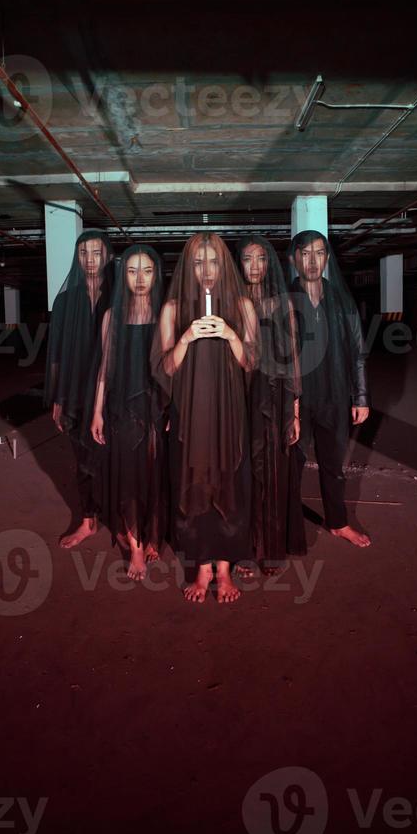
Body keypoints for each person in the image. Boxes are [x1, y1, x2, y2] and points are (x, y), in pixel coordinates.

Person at [151, 233, 260, 603]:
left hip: (229, 411)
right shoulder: (173, 309)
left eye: (214, 261)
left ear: (224, 264)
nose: (207, 270)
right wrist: (184, 339)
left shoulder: (242, 304)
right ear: (188, 266)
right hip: (191, 412)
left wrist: (230, 335)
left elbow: (251, 362)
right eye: (199, 262)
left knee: (229, 480)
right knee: (194, 482)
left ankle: (225, 568)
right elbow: (164, 368)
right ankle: (201, 567)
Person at [289, 229, 371, 548]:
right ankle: (287, 523)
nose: (313, 260)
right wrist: (287, 404)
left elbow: (357, 351)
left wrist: (360, 396)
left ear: (327, 258)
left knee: (333, 466)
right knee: (291, 466)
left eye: (319, 253)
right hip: (297, 400)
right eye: (306, 253)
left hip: (335, 397)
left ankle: (337, 522)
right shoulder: (285, 300)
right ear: (295, 257)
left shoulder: (341, 301)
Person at [89, 244, 167, 581]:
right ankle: (135, 547)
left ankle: (152, 534)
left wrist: (173, 409)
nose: (139, 278)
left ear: (155, 274)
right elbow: (104, 369)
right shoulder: (112, 316)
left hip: (156, 408)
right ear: (123, 275)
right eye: (132, 270)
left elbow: (173, 367)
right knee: (128, 477)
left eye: (146, 270)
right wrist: (97, 412)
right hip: (121, 407)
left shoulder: (165, 312)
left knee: (155, 474)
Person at [235, 236, 306, 575]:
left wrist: (294, 413)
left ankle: (270, 547)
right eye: (247, 259)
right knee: (242, 471)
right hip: (239, 397)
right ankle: (246, 548)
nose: (254, 266)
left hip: (275, 399)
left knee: (273, 471)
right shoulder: (231, 303)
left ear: (269, 264)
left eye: (260, 259)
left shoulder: (283, 305)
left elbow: (292, 360)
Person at [44, 229, 113, 548]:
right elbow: (56, 353)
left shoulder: (119, 295)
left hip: (111, 390)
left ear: (108, 256)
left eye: (96, 252)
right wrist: (58, 398)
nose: (89, 259)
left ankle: (125, 523)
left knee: (118, 459)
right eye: (83, 252)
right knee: (83, 458)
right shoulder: (64, 300)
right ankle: (88, 521)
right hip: (74, 390)